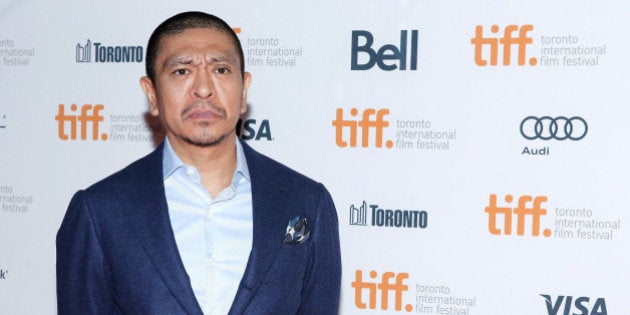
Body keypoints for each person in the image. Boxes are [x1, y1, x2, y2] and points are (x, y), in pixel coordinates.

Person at [56, 11, 341, 314]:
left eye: (220, 70)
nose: (203, 89)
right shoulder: (100, 212)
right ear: (151, 94)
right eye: (181, 71)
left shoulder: (306, 203)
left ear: (244, 90)